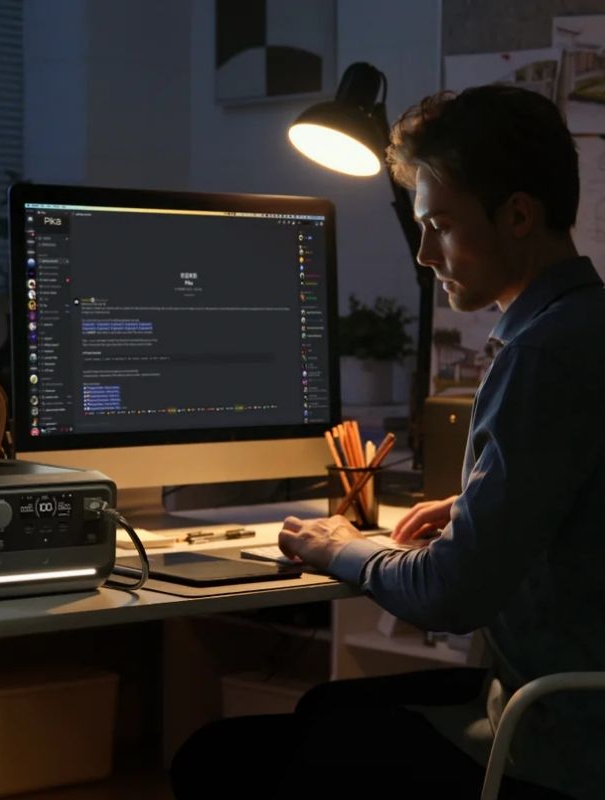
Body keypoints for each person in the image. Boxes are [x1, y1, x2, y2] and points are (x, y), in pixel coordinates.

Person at [170, 85, 605, 800]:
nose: (426, 254)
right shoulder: (586, 327)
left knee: (218, 758)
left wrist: (341, 547)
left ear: (518, 216)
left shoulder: (541, 355)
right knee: (325, 709)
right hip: (569, 707)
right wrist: (474, 508)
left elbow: (450, 594)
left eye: (440, 226)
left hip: (557, 746)